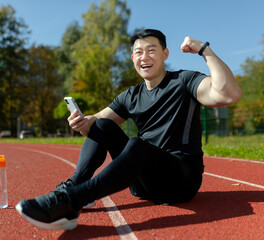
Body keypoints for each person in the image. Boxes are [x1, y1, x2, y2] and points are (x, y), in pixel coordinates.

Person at [16, 28, 242, 230]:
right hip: (143, 184)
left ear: (165, 54)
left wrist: (204, 50)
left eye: (151, 50)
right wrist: (81, 122)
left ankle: (72, 200)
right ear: (133, 58)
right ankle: (73, 189)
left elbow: (228, 94)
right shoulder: (131, 95)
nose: (145, 57)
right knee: (102, 124)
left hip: (181, 181)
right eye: (139, 52)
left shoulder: (184, 80)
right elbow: (94, 127)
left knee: (137, 144)